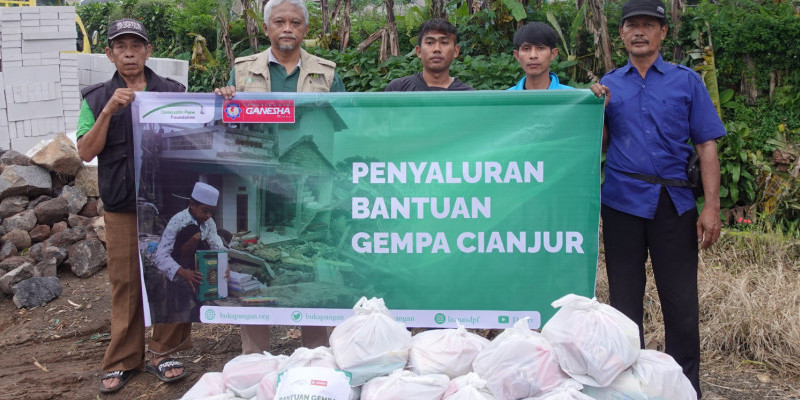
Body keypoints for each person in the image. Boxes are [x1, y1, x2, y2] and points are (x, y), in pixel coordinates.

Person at [589, 0, 725, 397]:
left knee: (681, 303)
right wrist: (596, 110)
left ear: (663, 33)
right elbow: (596, 146)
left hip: (674, 203)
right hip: (621, 202)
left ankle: (685, 387)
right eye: (632, 26)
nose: (639, 32)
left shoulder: (686, 82)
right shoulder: (609, 83)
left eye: (649, 25)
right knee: (624, 304)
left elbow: (706, 146)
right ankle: (630, 386)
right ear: (621, 35)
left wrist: (711, 207)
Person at [214, 0, 342, 353]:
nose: (287, 28)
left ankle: (316, 361)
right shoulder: (242, 71)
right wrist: (224, 97)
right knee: (255, 293)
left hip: (302, 170)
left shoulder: (327, 75)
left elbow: (347, 117)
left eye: (295, 22)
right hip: (257, 166)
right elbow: (227, 116)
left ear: (305, 30)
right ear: (268, 28)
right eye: (280, 22)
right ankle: (255, 361)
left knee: (313, 291)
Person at [76, 18, 191, 393]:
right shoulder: (95, 98)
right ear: (109, 54)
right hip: (123, 207)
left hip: (166, 205)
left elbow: (194, 131)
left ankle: (164, 351)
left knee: (171, 273)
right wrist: (109, 111)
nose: (129, 53)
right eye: (120, 46)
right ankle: (124, 359)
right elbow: (85, 152)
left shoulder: (172, 91)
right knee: (125, 282)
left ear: (148, 51)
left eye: (136, 46)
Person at [153, 182, 226, 322]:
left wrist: (225, 264)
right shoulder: (178, 220)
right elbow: (160, 256)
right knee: (180, 314)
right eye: (205, 211)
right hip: (179, 272)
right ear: (192, 204)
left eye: (212, 212)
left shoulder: (209, 222)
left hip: (199, 273)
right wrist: (183, 272)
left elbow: (216, 243)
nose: (208, 215)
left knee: (200, 311)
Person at [384, 19, 474, 91]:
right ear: (419, 51)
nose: (437, 49)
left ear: (455, 51)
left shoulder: (467, 96)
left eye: (444, 42)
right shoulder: (398, 89)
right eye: (430, 42)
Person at [507, 22, 572, 90]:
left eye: (540, 48)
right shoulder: (506, 98)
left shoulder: (572, 97)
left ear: (553, 54)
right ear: (517, 55)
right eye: (526, 49)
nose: (533, 55)